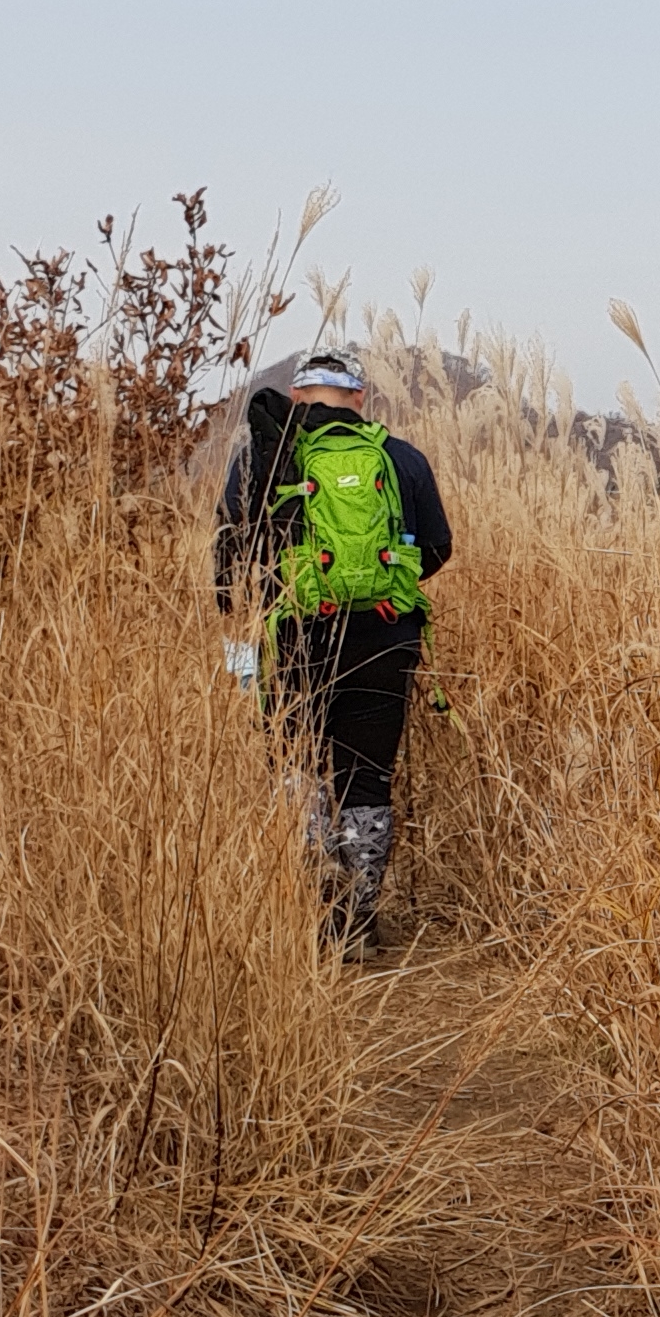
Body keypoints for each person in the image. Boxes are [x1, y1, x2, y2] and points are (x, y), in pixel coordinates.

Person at [214, 349, 452, 949]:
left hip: (295, 637)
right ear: (360, 398)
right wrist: (377, 585)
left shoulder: (267, 454)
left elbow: (230, 547)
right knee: (366, 777)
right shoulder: (401, 458)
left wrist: (261, 597)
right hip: (385, 635)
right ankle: (358, 920)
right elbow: (437, 548)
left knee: (297, 769)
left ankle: (317, 905)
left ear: (297, 396)